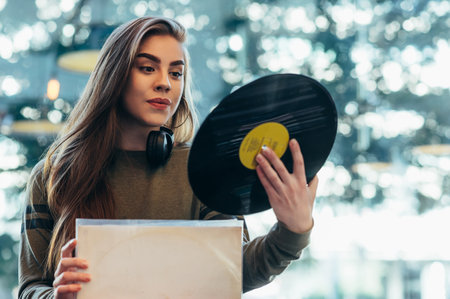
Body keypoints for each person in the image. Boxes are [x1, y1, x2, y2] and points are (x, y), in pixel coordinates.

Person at [19, 16, 319, 298]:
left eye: (176, 73)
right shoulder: (52, 175)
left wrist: (292, 231)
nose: (165, 82)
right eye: (148, 68)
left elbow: (234, 270)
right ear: (114, 77)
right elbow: (30, 287)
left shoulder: (202, 170)